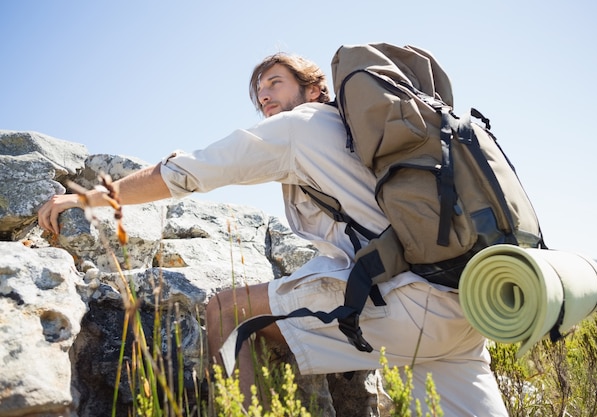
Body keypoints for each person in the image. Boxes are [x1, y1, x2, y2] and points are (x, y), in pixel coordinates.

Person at [38, 51, 509, 416]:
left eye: (274, 83)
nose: (264, 96)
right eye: (258, 90)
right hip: (464, 304)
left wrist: (86, 199)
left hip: (406, 302)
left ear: (314, 88)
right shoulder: (363, 137)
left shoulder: (297, 127)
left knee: (227, 312)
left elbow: (185, 172)